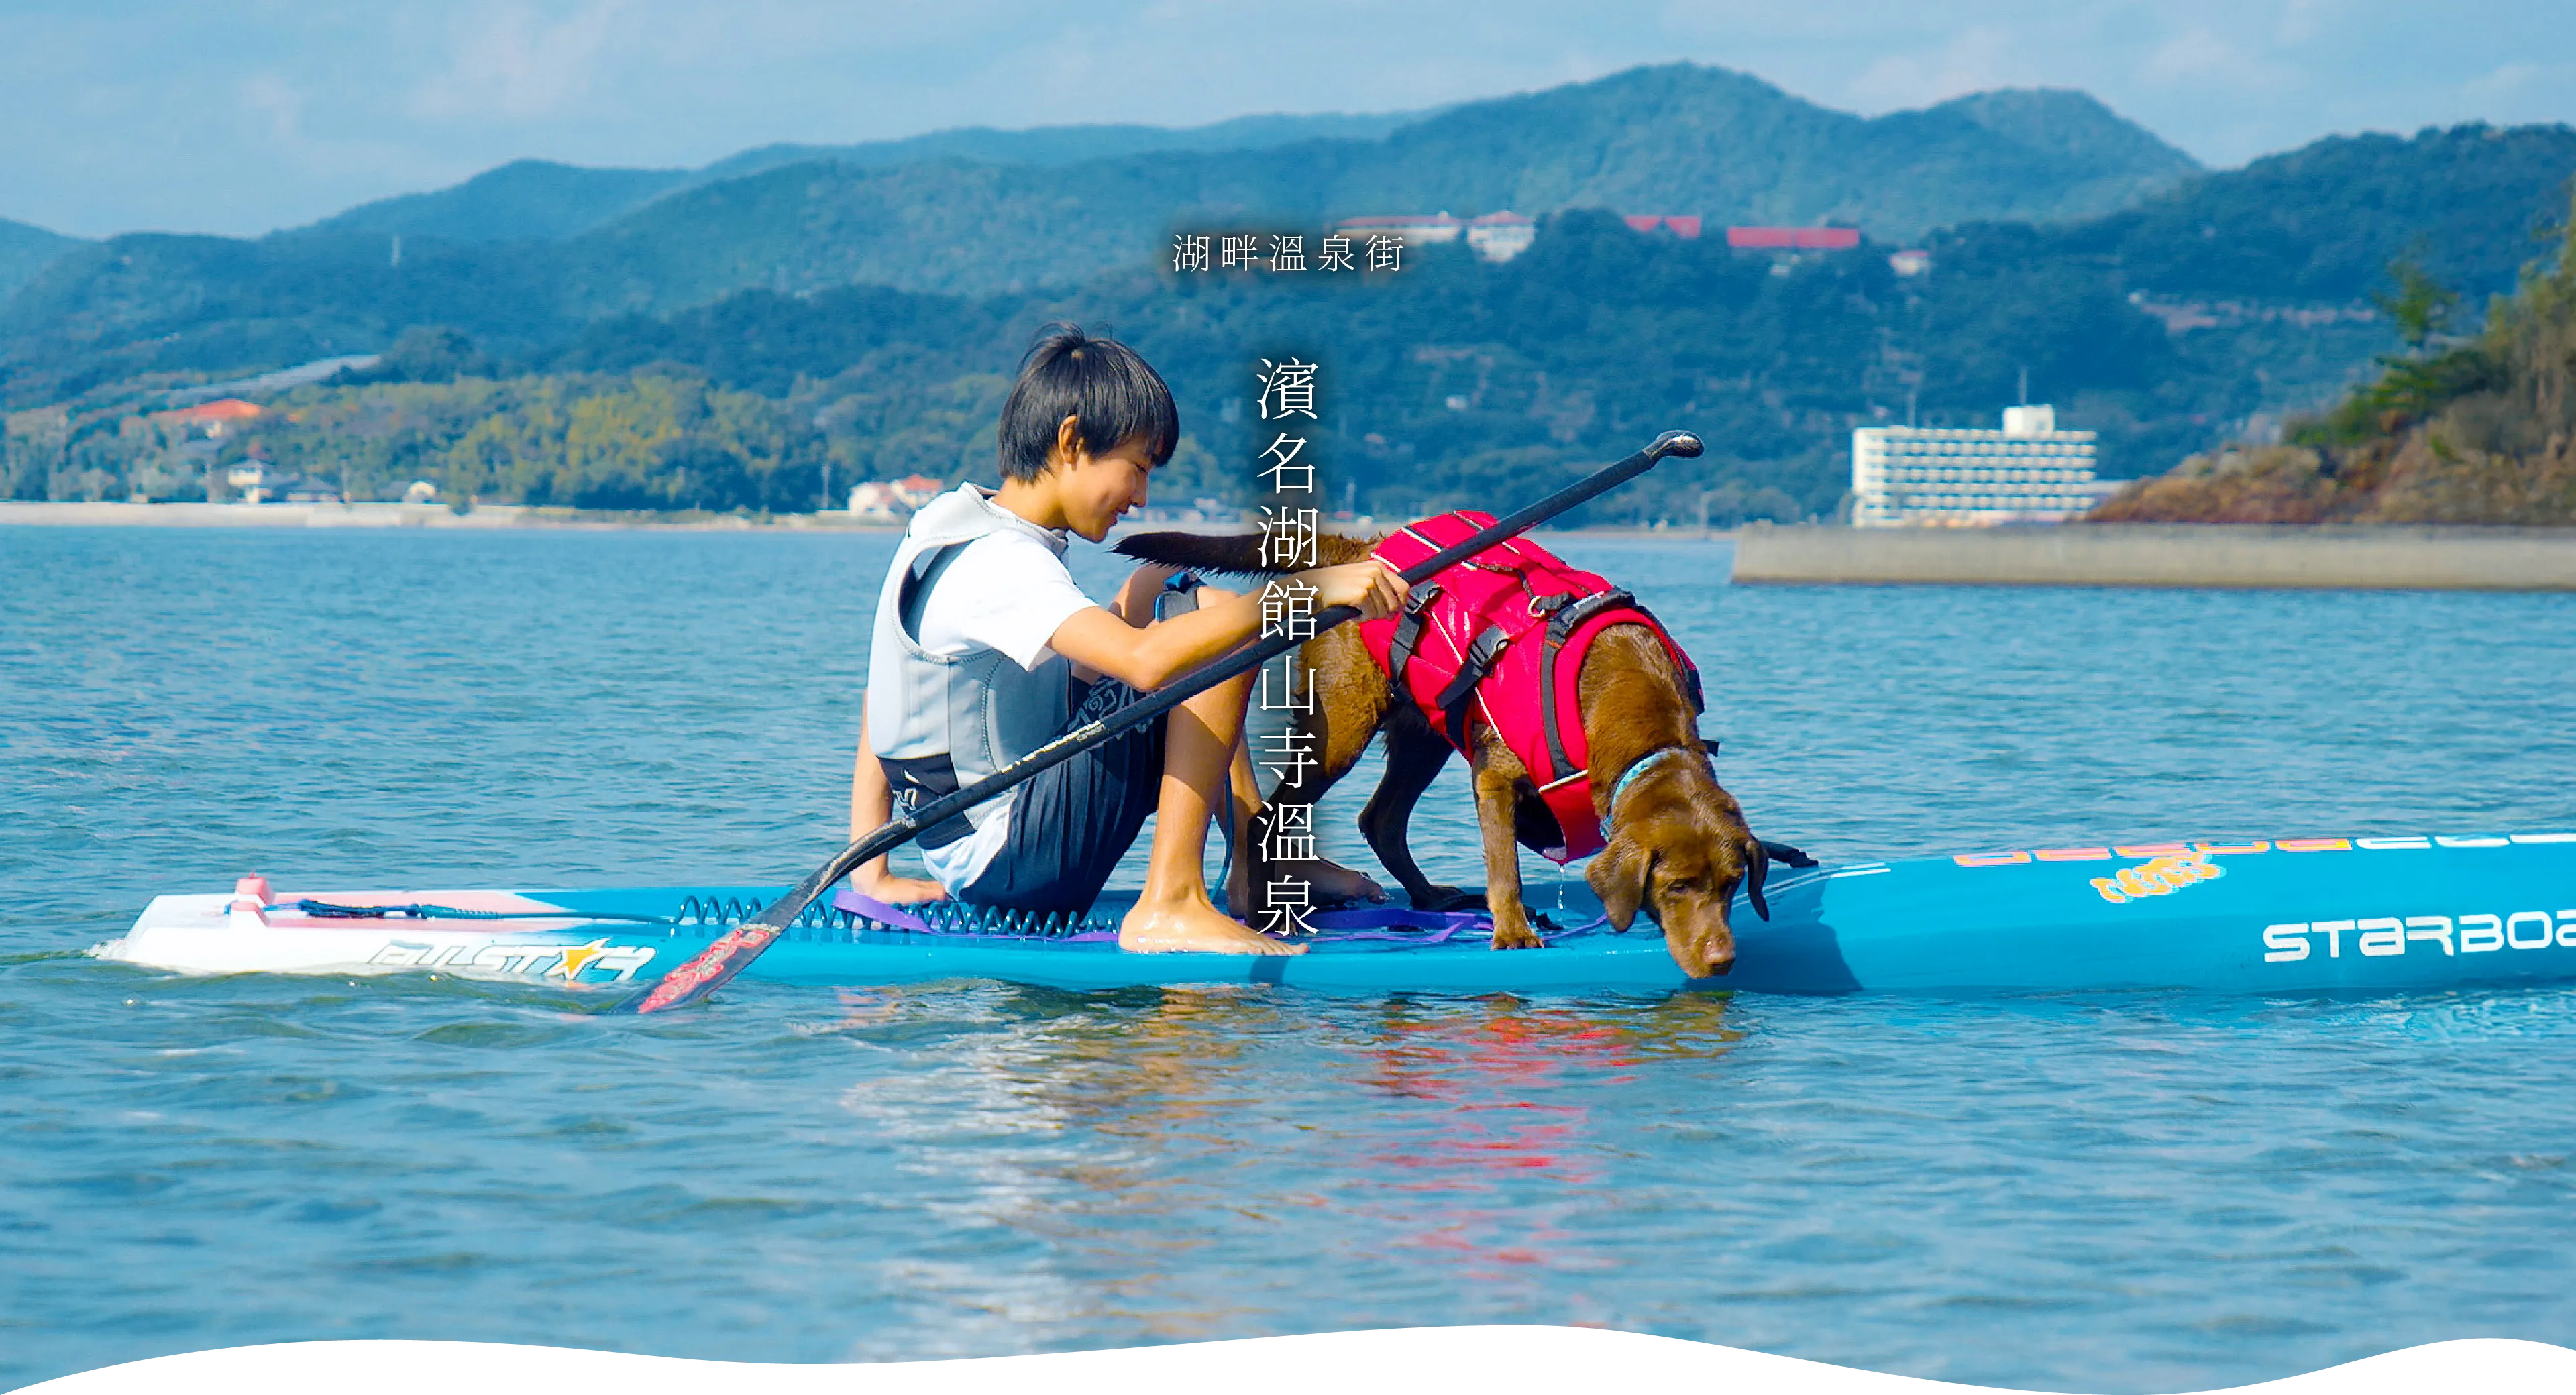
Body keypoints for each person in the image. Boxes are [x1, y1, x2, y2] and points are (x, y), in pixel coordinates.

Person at [846, 325, 1407, 954]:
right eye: (1137, 469)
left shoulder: (949, 525)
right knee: (1214, 637)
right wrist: (1309, 590)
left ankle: (1258, 858)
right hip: (1010, 866)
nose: (1140, 497)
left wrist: (870, 870)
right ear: (1071, 441)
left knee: (1164, 593)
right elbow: (1144, 664)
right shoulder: (1003, 565)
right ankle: (1172, 903)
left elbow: (884, 693)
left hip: (987, 844)